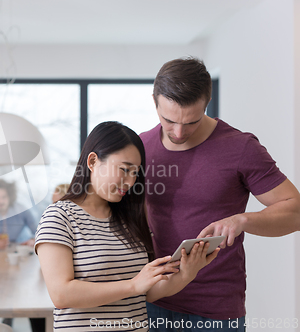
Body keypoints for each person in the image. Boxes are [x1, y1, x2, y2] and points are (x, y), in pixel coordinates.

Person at [140, 57, 300, 331]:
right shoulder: (140, 146)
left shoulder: (240, 147)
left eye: (191, 121)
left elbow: (295, 211)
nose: (178, 132)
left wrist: (242, 220)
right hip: (152, 300)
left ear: (207, 103)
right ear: (154, 101)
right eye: (168, 120)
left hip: (215, 312)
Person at [35, 121, 219, 331]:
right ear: (93, 161)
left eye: (135, 173)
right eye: (124, 169)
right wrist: (133, 285)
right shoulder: (60, 216)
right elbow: (61, 294)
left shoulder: (130, 219)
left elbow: (146, 291)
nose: (130, 182)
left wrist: (186, 274)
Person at [0, 179, 37, 245]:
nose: (1, 201)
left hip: (17, 250)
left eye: (4, 197)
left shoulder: (20, 210)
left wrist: (32, 240)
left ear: (10, 197)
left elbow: (37, 231)